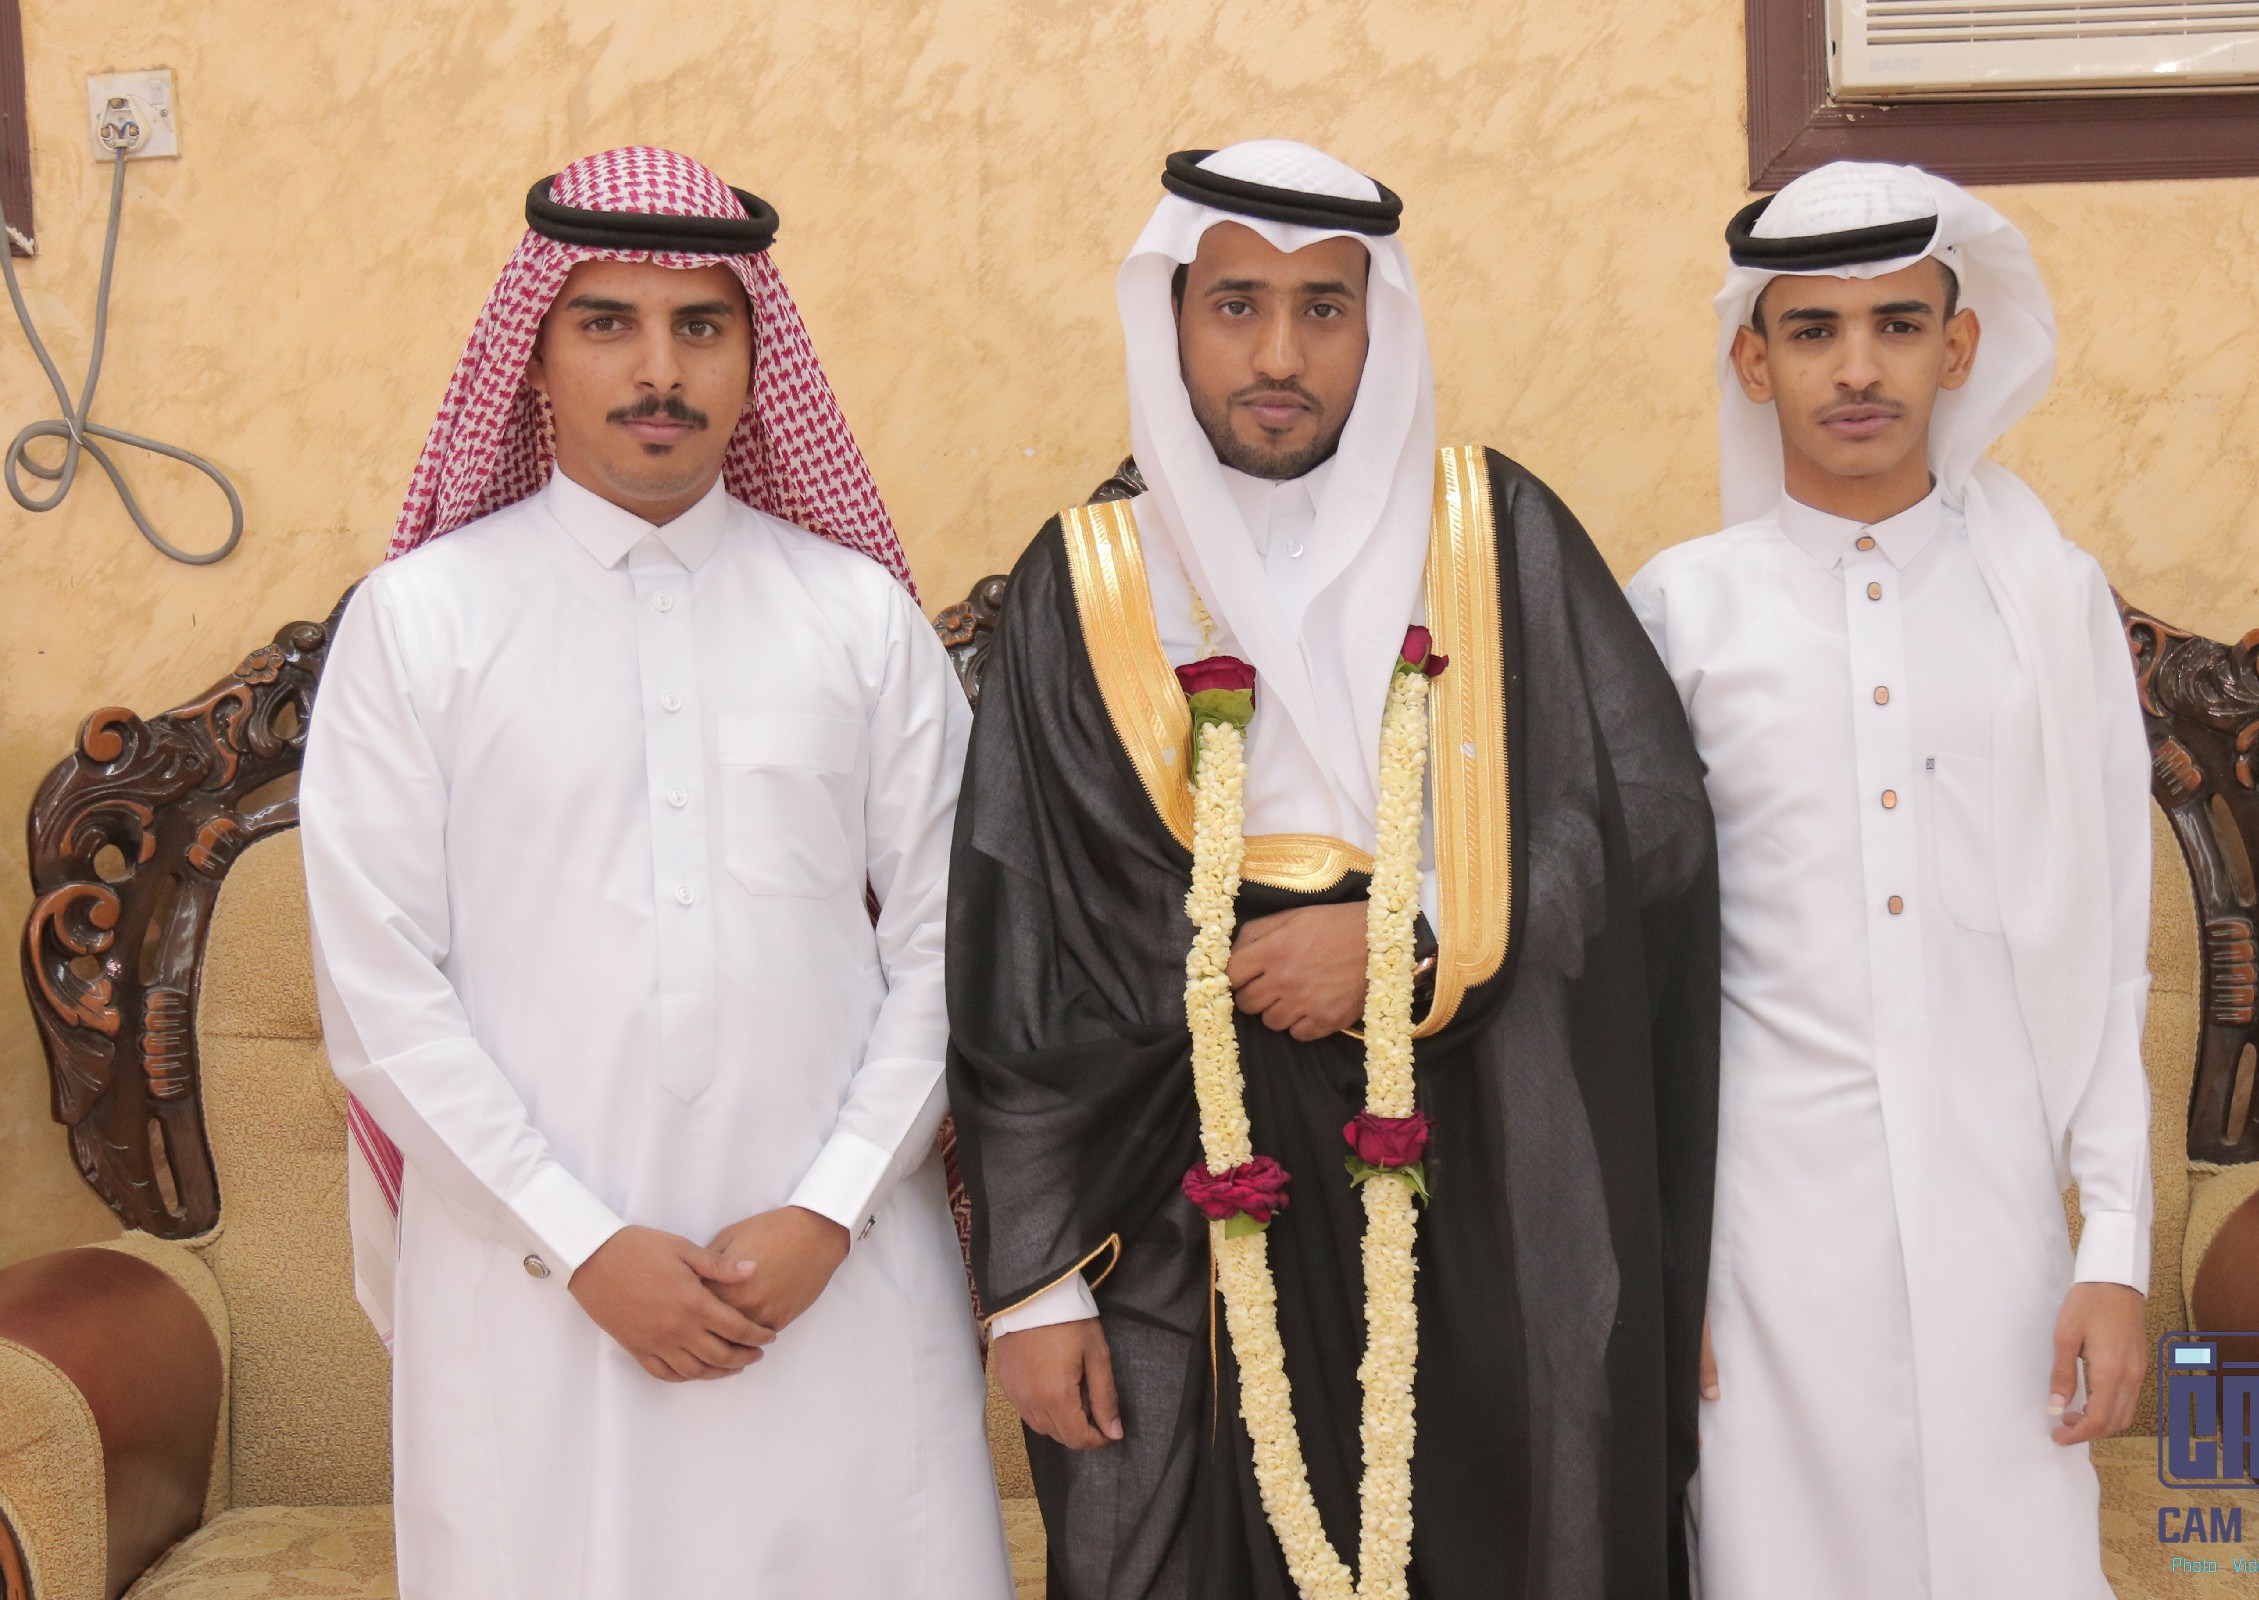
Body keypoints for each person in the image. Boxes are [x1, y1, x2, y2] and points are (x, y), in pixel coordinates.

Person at [946, 140, 1720, 1600]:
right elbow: (1016, 931)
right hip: (1169, 1184)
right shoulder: (1085, 580)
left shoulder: (1494, 533)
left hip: (1479, 1142)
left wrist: (1412, 935)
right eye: (1236, 305)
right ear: (1172, 319)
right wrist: (1033, 1285)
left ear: (1383, 326)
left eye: (1325, 307)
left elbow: (1637, 828)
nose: (1279, 357)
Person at [301, 146, 1011, 1600]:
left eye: (700, 326)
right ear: (535, 356)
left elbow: (962, 939)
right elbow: (378, 988)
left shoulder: (858, 618)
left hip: (837, 1277)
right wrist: (581, 1243)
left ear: (756, 356)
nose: (658, 370)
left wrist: (829, 1208)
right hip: (530, 1286)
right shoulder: (420, 622)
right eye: (606, 323)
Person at [1627, 161, 2153, 1599]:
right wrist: (1666, 1270)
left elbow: (2110, 941)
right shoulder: (1678, 610)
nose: (1858, 369)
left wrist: (2114, 1245)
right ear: (1754, 361)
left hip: (2001, 1233)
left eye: (1898, 326)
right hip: (1763, 1240)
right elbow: (1627, 973)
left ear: (1958, 346)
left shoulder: (2049, 601)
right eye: (1813, 330)